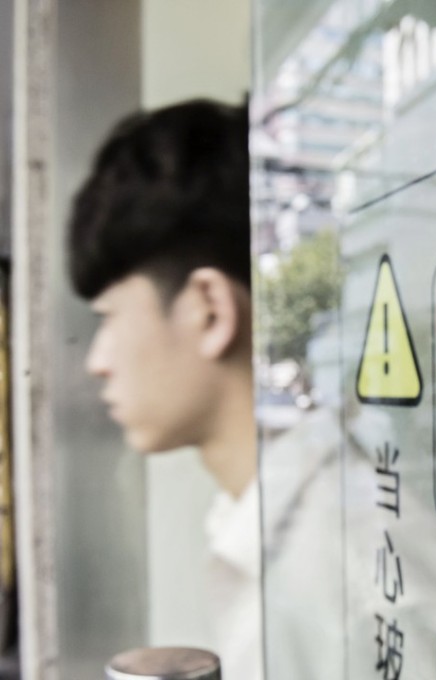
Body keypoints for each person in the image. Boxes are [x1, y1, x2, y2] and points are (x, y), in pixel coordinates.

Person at [67, 100, 262, 680]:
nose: (97, 363)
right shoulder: (249, 519)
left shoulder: (327, 559)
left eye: (109, 317)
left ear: (209, 311)